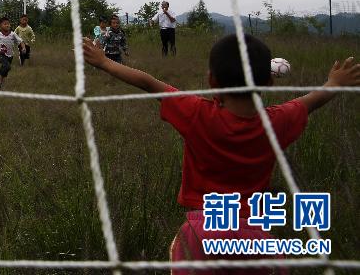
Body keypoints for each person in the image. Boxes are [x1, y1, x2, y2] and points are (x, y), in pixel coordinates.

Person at [81, 33, 360, 273]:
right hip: (257, 239)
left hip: (202, 234)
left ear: (212, 81)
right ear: (270, 82)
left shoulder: (196, 114)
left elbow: (148, 83)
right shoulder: (277, 122)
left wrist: (104, 62)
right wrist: (334, 83)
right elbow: (310, 102)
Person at [0, 16, 24, 89]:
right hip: (1, 54)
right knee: (7, 66)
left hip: (10, 55)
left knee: (4, 67)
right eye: (5, 24)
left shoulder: (13, 34)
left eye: (8, 24)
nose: (7, 25)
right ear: (0, 26)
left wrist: (23, 48)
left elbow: (20, 41)